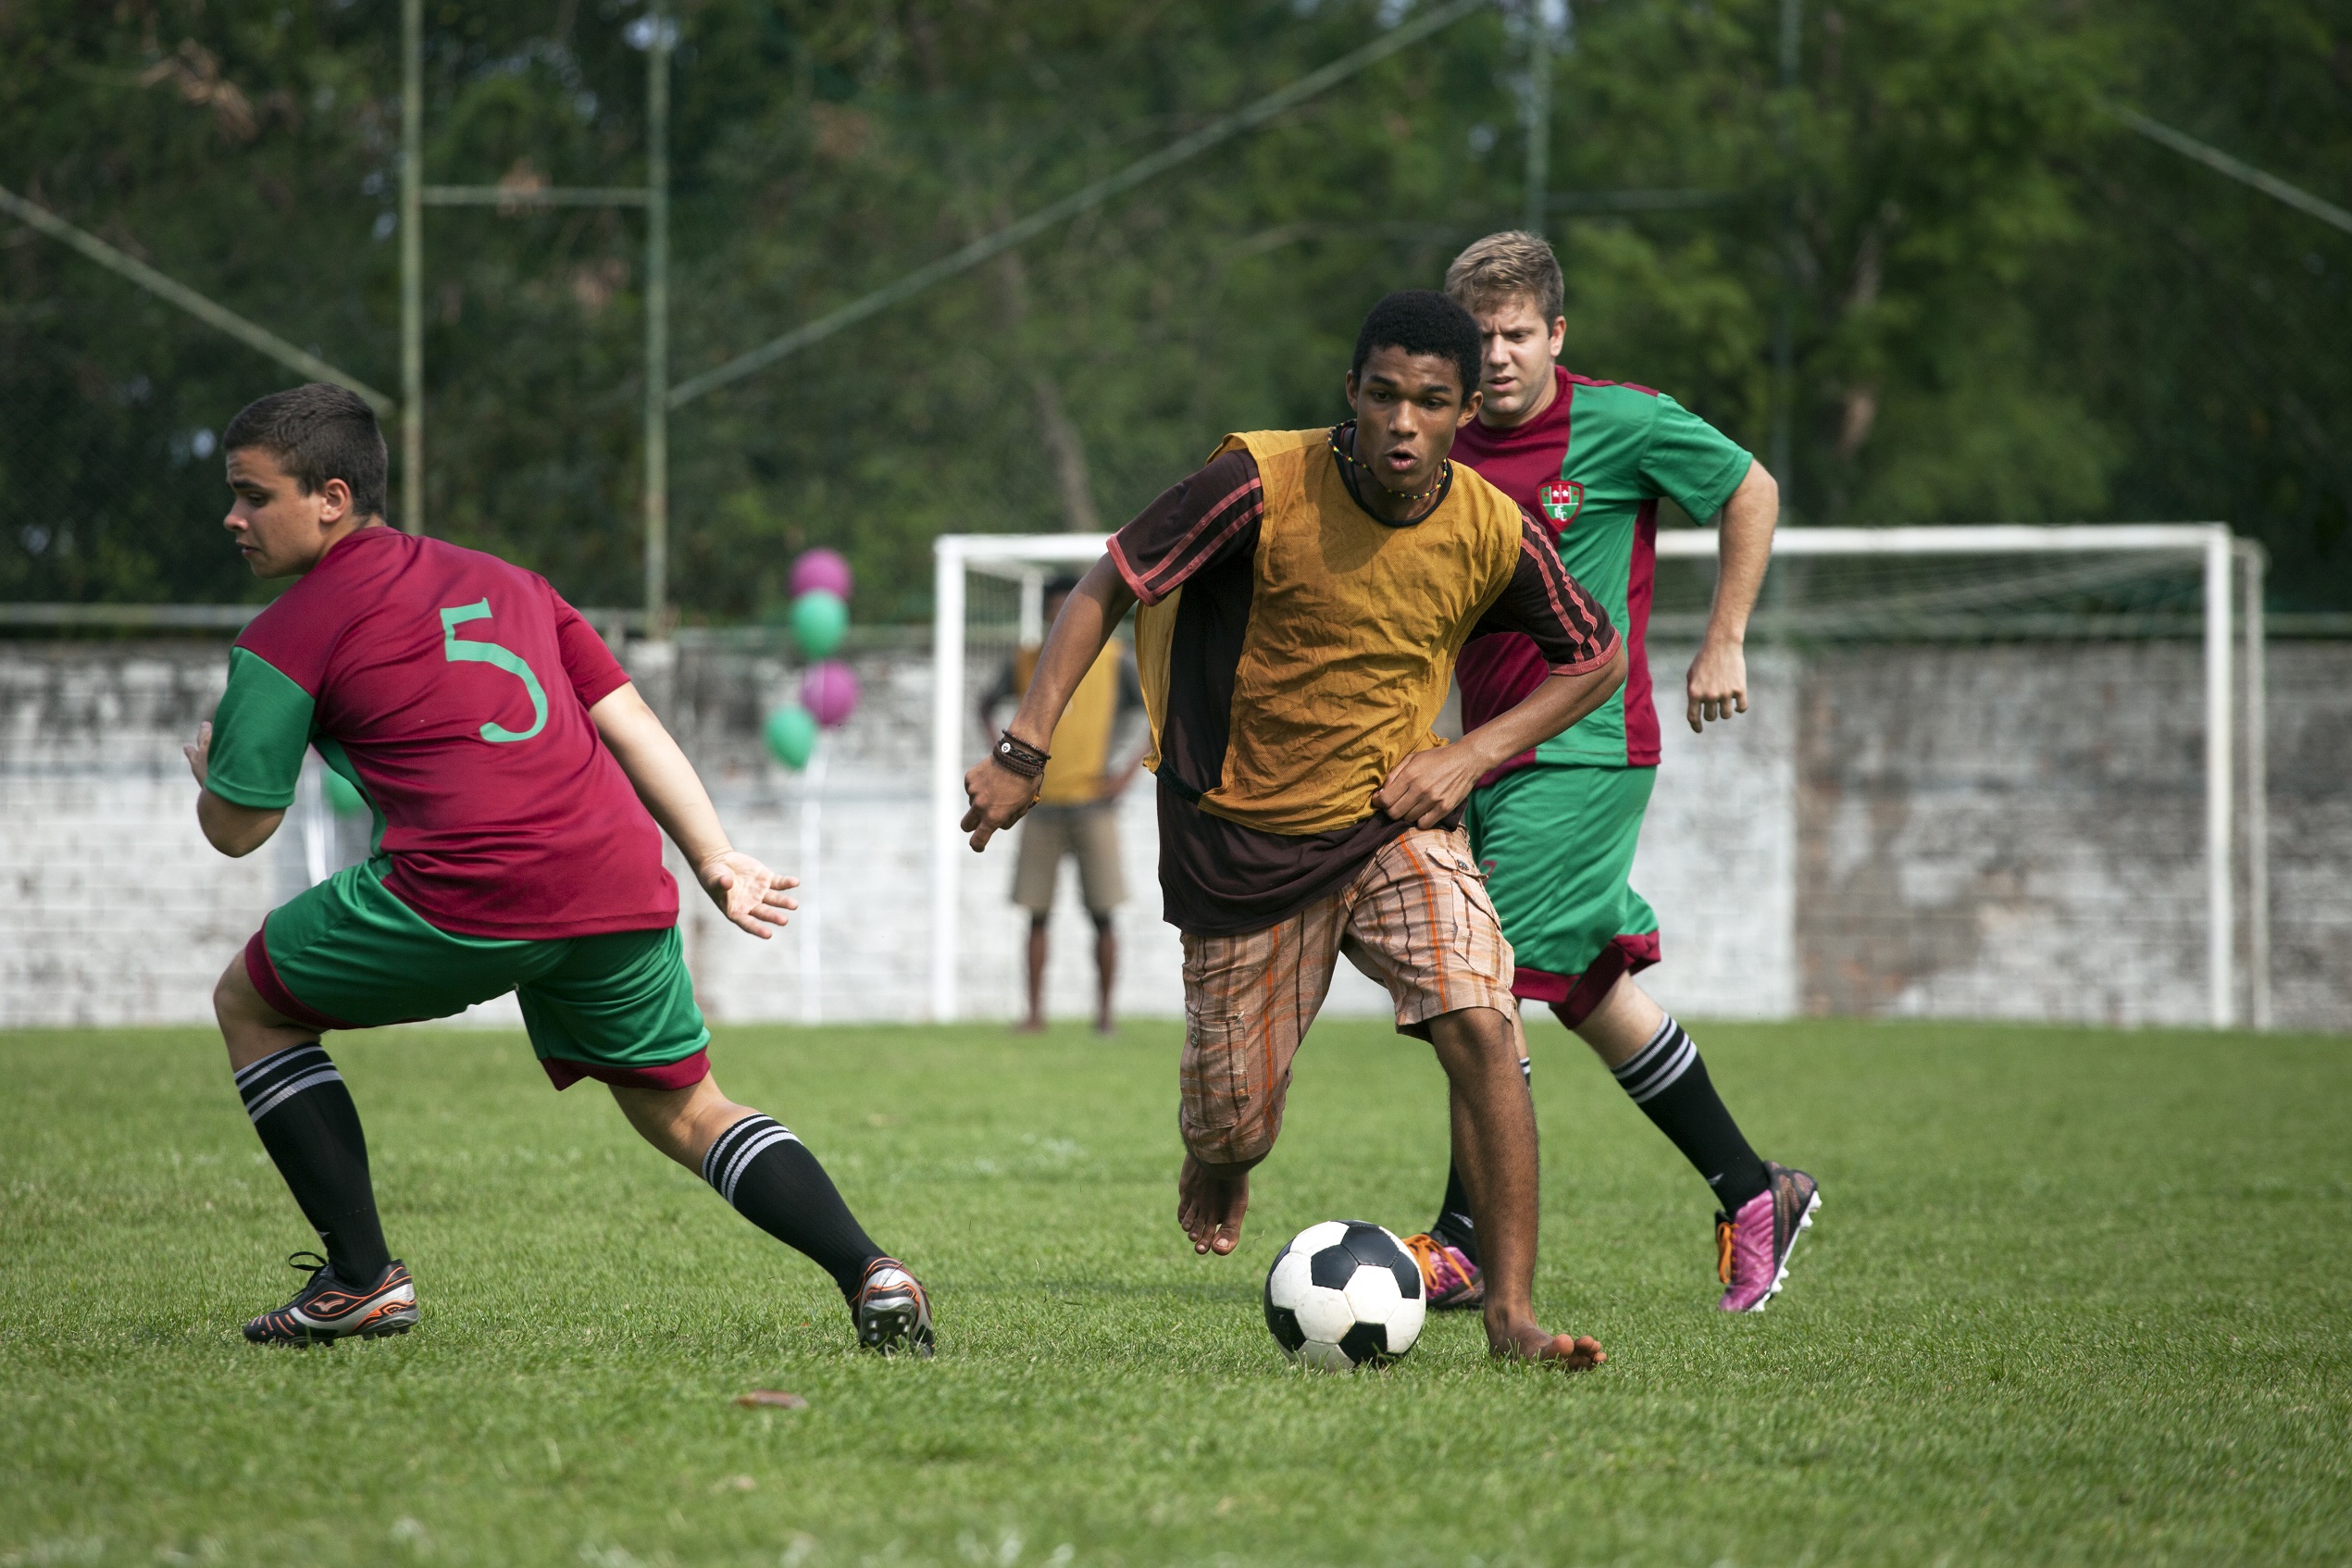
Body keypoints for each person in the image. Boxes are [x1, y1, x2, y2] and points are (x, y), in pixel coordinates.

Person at [186, 383, 932, 1352]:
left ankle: (363, 1278)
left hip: (463, 887)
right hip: (613, 874)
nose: (233, 517)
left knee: (252, 1003)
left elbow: (240, 828)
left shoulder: (289, 630)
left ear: (331, 496)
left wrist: (213, 775)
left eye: (253, 494)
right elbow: (629, 719)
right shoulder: (512, 581)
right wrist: (714, 856)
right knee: (686, 1106)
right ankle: (870, 1268)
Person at [964, 292, 1626, 1368]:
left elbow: (1594, 653)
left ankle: (1512, 1315)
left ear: (1464, 415)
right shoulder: (1258, 485)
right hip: (1242, 853)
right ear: (1350, 395)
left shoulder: (1491, 529)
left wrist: (1466, 755)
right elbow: (1108, 582)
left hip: (1388, 828)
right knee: (1234, 1125)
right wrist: (1023, 751)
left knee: (1483, 1018)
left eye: (1432, 402)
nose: (1404, 423)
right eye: (1383, 395)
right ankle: (1221, 1155)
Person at [1396, 231, 1819, 1317]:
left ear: (1556, 335)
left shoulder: (1620, 422)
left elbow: (1752, 487)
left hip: (1581, 748)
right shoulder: (1439, 441)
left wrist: (1723, 638)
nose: (1497, 358)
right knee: (1586, 989)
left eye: (1518, 335)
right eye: (1480, 337)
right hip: (1488, 754)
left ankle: (1461, 1240)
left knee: (1476, 988)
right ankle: (1753, 1188)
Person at [977, 577, 1145, 1033]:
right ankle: (1034, 1015)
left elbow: (1154, 711)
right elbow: (985, 704)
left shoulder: (1113, 659)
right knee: (1036, 913)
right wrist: (1006, 763)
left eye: (1067, 611)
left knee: (1103, 913)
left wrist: (1126, 773)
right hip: (1038, 802)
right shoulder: (1025, 660)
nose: (1059, 619)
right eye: (1054, 611)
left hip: (1094, 802)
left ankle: (1106, 1016)